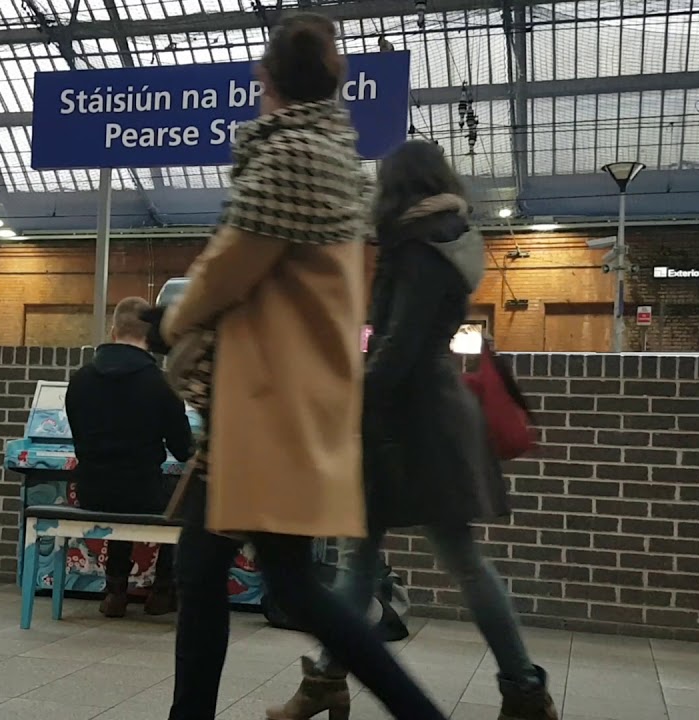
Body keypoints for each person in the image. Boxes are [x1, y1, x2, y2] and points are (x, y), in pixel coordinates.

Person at [147, 14, 452, 720]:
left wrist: (173, 319)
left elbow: (227, 268)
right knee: (204, 569)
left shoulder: (291, 157)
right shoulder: (335, 153)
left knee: (295, 586)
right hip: (272, 402)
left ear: (267, 79)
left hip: (270, 405)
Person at [268, 140, 557, 720]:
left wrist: (347, 400)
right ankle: (329, 677)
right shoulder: (440, 241)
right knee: (377, 556)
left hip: (415, 425)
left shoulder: (420, 248)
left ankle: (524, 688)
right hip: (420, 418)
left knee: (438, 559)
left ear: (397, 188)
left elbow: (399, 345)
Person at [65, 297, 192, 618]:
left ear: (113, 331)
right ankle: (163, 591)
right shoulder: (162, 384)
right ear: (150, 336)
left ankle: (115, 591)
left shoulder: (80, 380)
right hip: (142, 492)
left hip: (90, 492)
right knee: (180, 498)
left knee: (121, 490)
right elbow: (183, 450)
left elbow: (79, 441)